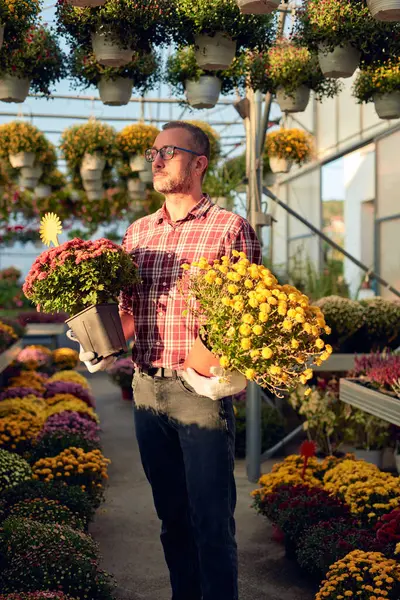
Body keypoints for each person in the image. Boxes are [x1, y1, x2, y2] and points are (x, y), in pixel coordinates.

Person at [76, 121, 261, 600]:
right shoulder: (137, 233)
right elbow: (128, 315)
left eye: (169, 152)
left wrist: (207, 361)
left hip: (197, 392)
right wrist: (95, 334)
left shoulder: (230, 228)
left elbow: (247, 315)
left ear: (199, 164)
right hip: (144, 388)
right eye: (153, 152)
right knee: (171, 519)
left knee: (210, 520)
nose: (156, 160)